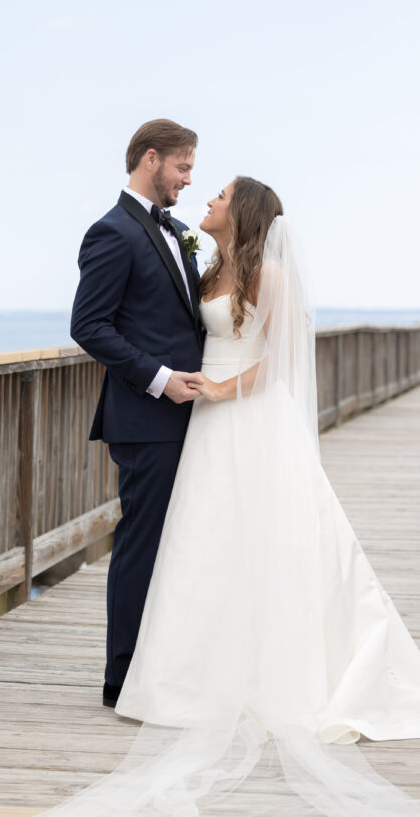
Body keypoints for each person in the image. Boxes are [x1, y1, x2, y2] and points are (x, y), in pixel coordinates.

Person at [51, 176, 420, 816]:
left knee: (271, 534)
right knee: (206, 541)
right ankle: (192, 669)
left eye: (219, 193)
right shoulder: (213, 263)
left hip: (247, 413)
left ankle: (279, 668)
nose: (208, 197)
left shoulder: (268, 274)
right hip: (204, 420)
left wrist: (222, 391)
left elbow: (277, 357)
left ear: (242, 212)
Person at [70, 119, 205, 708]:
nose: (188, 180)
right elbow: (88, 326)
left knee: (181, 545)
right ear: (151, 160)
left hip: (190, 418)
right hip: (147, 419)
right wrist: (160, 380)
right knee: (142, 545)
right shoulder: (112, 233)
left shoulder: (175, 230)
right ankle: (121, 680)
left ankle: (166, 668)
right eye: (183, 167)